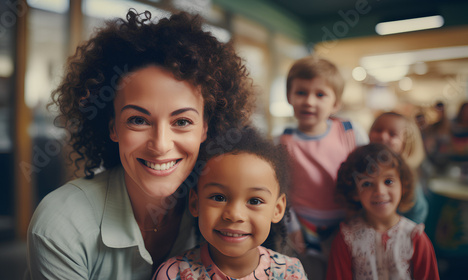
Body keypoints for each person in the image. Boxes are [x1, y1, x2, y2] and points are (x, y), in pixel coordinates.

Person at [26, 10, 255, 280]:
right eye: (138, 120)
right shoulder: (62, 224)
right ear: (113, 127)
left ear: (206, 127)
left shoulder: (225, 210)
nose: (160, 145)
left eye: (182, 122)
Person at [152, 127, 307, 279]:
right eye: (219, 198)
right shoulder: (173, 275)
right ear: (195, 203)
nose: (234, 215)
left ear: (278, 209)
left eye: (254, 201)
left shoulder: (290, 273)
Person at [278, 56, 368, 279]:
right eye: (301, 92)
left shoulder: (350, 131)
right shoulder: (282, 141)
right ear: (289, 96)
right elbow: (280, 189)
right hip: (303, 227)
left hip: (348, 223)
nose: (309, 101)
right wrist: (291, 226)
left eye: (320, 95)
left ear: (335, 103)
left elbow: (369, 174)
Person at [327, 143, 440, 280]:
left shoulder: (415, 238)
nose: (380, 192)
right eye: (367, 184)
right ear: (354, 192)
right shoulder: (346, 240)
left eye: (388, 181)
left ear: (403, 185)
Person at [369, 112, 429, 224]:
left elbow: (419, 210)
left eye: (392, 134)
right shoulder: (364, 166)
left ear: (406, 144)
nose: (383, 136)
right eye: (378, 130)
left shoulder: (406, 175)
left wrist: (408, 232)